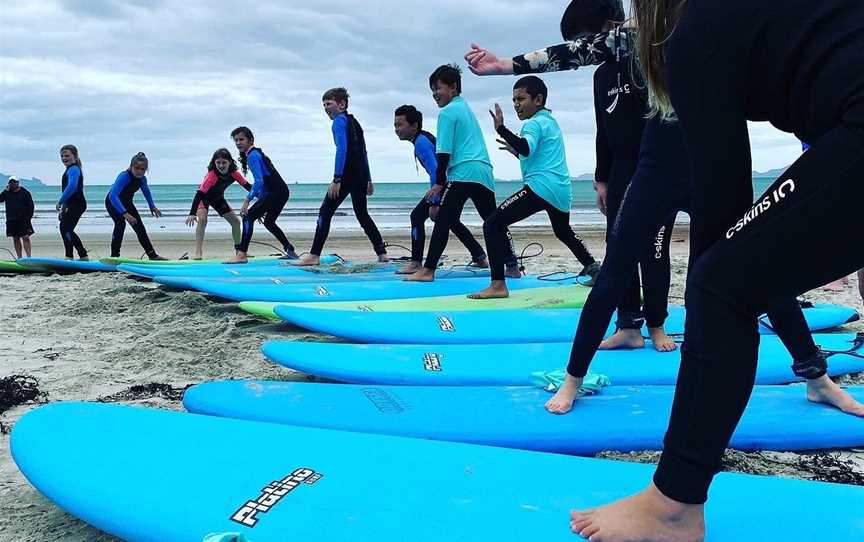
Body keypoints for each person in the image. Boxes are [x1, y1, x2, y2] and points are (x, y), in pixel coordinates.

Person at [566, 1, 864, 540]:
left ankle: (674, 504)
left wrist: (715, 294)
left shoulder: (693, 32)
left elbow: (722, 213)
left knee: (718, 285)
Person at [464, 0, 678, 349]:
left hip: (657, 168)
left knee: (654, 251)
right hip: (622, 171)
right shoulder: (601, 75)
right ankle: (629, 326)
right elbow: (603, 131)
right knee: (618, 249)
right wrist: (602, 179)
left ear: (610, 27)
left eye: (584, 41)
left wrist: (506, 65)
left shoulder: (647, 56)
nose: (584, 53)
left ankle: (656, 325)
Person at [469, 76, 599, 299]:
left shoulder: (533, 123)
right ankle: (596, 271)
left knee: (492, 224)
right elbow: (535, 152)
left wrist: (501, 129)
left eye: (521, 99)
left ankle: (498, 285)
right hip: (560, 189)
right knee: (563, 231)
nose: (516, 104)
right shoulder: (549, 120)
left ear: (538, 99)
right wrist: (516, 151)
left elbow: (527, 147)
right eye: (514, 100)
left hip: (541, 187)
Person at [405, 64, 519, 282]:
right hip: (483, 171)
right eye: (432, 91)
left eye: (438, 88)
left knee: (444, 220)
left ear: (454, 87)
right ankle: (512, 266)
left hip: (463, 172)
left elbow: (443, 153)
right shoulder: (464, 107)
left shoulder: (447, 112)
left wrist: (438, 184)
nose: (435, 95)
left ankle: (428, 269)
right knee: (493, 220)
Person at [297, 88, 388, 266]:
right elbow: (363, 152)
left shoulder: (339, 122)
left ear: (342, 104)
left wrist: (337, 178)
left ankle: (314, 255)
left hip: (346, 175)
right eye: (324, 105)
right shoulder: (354, 122)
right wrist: (368, 178)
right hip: (360, 174)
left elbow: (342, 150)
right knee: (362, 215)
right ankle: (382, 253)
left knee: (325, 211)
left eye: (329, 104)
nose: (325, 108)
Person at [393, 104, 489, 273]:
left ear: (414, 126)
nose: (397, 129)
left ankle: (416, 262)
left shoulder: (421, 143)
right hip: (453, 181)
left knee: (416, 216)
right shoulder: (423, 138)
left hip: (445, 183)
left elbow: (436, 170)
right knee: (450, 221)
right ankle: (479, 256)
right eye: (395, 125)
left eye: (400, 125)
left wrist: (434, 201)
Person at [224, 127, 297, 264]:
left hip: (275, 192)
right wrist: (260, 204)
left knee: (248, 217)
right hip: (281, 191)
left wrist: (247, 200)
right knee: (269, 222)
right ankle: (290, 250)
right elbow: (265, 181)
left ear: (250, 140)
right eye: (236, 141)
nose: (238, 143)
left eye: (241, 139)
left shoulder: (253, 155)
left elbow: (259, 181)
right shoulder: (255, 154)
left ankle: (241, 254)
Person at [185, 148, 251, 260]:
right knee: (202, 219)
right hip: (203, 198)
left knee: (235, 222)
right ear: (214, 163)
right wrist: (192, 213)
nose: (221, 165)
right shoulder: (212, 175)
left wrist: (263, 200)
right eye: (218, 162)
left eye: (224, 162)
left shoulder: (234, 173)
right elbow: (199, 194)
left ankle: (239, 251)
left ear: (230, 162)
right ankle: (198, 251)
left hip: (217, 198)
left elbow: (249, 187)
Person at [105, 153, 166, 260]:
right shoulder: (124, 176)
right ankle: (114, 256)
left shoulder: (142, 179)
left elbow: (146, 191)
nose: (139, 171)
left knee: (140, 228)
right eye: (137, 168)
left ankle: (152, 255)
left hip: (127, 203)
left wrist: (152, 206)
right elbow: (113, 195)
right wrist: (125, 214)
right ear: (131, 166)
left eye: (143, 169)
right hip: (113, 202)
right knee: (120, 224)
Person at [56, 144, 88, 260]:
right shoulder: (70, 169)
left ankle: (73, 256)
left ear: (74, 156)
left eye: (67, 156)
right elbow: (67, 191)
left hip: (78, 204)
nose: (64, 158)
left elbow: (72, 187)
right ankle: (80, 255)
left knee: (65, 229)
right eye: (62, 156)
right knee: (65, 229)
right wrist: (63, 208)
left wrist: (60, 202)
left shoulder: (74, 169)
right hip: (72, 204)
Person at [0, 177, 34, 258]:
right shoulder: (7, 193)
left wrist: (29, 217)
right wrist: (5, 191)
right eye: (11, 182)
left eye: (14, 182)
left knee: (26, 237)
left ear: (18, 183)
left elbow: (31, 206)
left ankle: (29, 257)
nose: (13, 184)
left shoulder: (25, 192)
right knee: (15, 238)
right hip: (11, 220)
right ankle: (19, 257)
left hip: (23, 219)